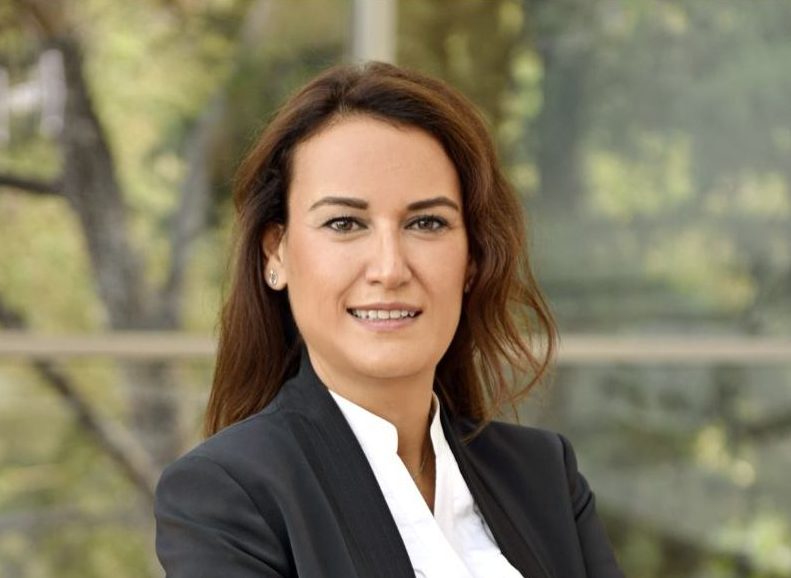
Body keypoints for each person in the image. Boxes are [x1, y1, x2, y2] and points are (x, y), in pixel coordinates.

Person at [154, 61, 625, 578]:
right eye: (344, 223)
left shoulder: (543, 476)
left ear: (472, 259)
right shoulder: (226, 496)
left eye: (427, 223)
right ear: (276, 253)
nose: (390, 268)